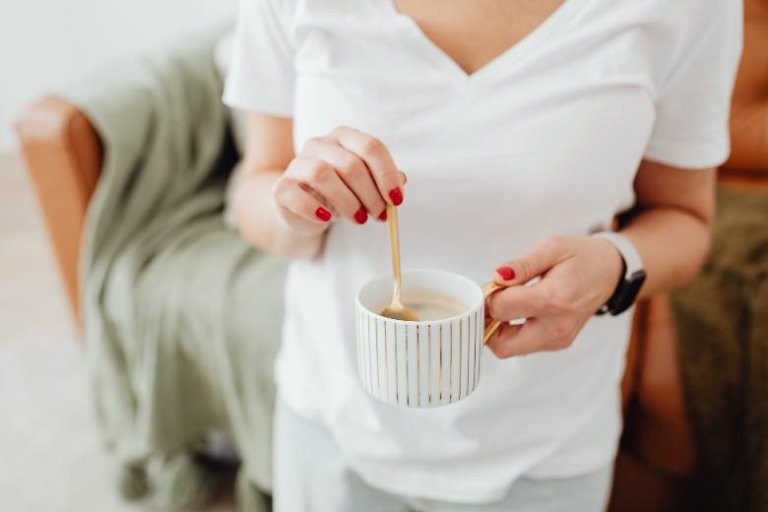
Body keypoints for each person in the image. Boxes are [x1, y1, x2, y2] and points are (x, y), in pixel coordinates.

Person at [223, 1, 742, 510]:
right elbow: (257, 185)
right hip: (332, 428)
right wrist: (297, 208)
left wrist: (614, 267)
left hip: (544, 451)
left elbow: (685, 219)